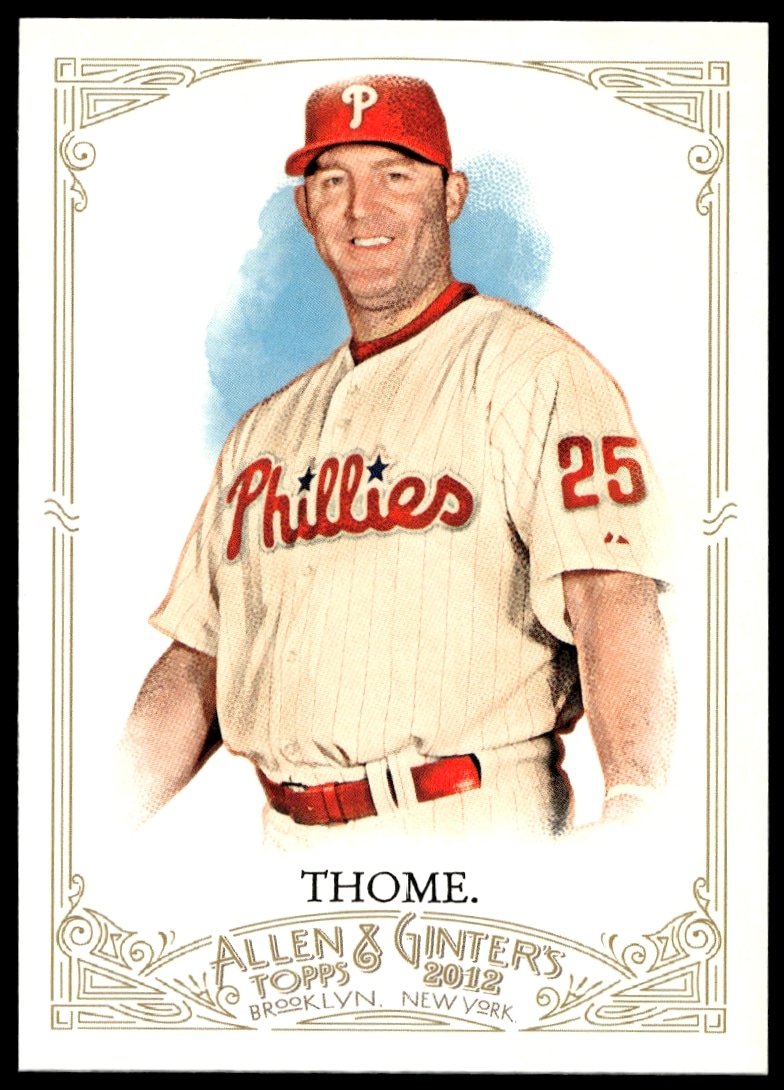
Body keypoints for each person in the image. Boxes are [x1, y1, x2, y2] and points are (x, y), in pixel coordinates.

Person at [118, 75, 676, 843]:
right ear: (306, 208)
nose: (362, 208)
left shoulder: (533, 369)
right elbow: (197, 664)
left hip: (469, 823)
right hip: (288, 843)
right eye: (333, 181)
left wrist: (638, 805)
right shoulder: (265, 430)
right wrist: (89, 825)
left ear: (451, 196)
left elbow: (611, 594)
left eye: (396, 174)